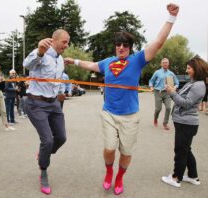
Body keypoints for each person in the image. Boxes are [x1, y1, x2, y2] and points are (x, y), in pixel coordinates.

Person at [64, 3, 179, 195]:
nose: (121, 47)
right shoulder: (108, 62)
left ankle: (119, 177)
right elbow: (91, 65)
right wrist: (73, 60)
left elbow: (158, 42)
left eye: (125, 45)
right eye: (118, 44)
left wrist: (172, 17)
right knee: (109, 148)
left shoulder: (137, 60)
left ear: (130, 48)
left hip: (130, 116)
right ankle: (109, 172)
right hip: (109, 113)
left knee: (126, 153)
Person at [23, 29, 69, 195]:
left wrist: (62, 91)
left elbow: (60, 77)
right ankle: (43, 172)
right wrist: (40, 51)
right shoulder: (41, 54)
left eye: (67, 42)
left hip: (54, 103)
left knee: (62, 138)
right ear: (54, 40)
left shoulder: (61, 59)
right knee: (47, 140)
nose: (67, 45)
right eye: (64, 42)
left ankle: (44, 154)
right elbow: (26, 65)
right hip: (36, 103)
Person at [161, 56, 208, 188]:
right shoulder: (193, 82)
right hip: (184, 122)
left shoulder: (198, 85)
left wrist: (172, 93)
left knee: (180, 151)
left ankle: (176, 178)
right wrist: (174, 91)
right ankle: (193, 176)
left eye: (189, 68)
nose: (186, 70)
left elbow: (187, 104)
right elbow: (184, 97)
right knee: (186, 150)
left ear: (196, 69)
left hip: (187, 123)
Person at [149, 58, 179, 130]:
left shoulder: (171, 73)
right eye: (163, 62)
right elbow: (151, 81)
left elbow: (177, 82)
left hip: (167, 93)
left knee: (168, 108)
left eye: (166, 62)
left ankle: (165, 123)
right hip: (158, 92)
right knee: (158, 109)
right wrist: (151, 87)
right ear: (161, 64)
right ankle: (155, 119)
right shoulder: (157, 72)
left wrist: (174, 87)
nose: (165, 64)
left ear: (168, 64)